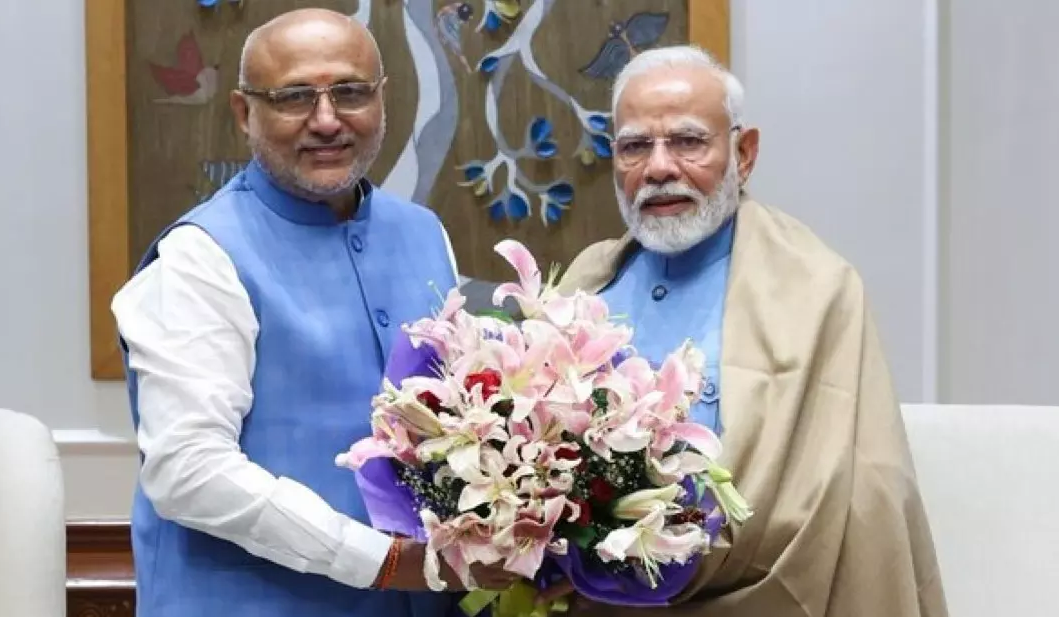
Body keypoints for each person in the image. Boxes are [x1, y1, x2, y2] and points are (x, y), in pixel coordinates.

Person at [111, 8, 516, 617]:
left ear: (381, 100)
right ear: (244, 113)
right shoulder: (200, 255)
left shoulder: (424, 232)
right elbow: (188, 471)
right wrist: (381, 562)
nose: (327, 121)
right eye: (294, 97)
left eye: (350, 92)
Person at [543, 45, 949, 616]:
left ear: (744, 152)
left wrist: (663, 561)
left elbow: (859, 492)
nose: (658, 168)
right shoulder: (584, 284)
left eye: (688, 142)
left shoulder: (817, 288)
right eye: (635, 146)